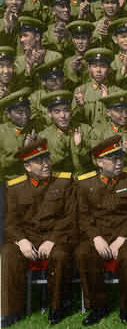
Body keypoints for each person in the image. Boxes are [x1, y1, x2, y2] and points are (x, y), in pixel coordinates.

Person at [1, 140, 76, 326]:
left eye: (47, 159)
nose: (46, 164)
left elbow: (70, 217)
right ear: (27, 167)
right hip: (28, 238)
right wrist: (21, 241)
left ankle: (57, 308)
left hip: (56, 236)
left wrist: (52, 240)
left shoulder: (65, 182)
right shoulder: (15, 187)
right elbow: (10, 222)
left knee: (60, 255)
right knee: (8, 254)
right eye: (39, 161)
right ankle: (11, 310)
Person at [76, 135, 127, 325]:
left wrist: (121, 239)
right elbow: (83, 215)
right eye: (113, 159)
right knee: (84, 253)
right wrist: (96, 238)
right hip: (98, 234)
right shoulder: (85, 183)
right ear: (99, 162)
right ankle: (97, 307)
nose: (119, 162)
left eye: (121, 157)